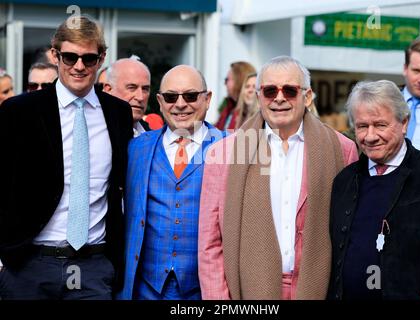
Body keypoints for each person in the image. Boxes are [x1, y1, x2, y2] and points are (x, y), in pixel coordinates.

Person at [198, 56, 358, 300]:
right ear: (259, 96)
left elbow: (351, 234)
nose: (279, 98)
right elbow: (210, 243)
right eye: (270, 90)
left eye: (290, 91)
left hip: (319, 289)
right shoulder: (224, 153)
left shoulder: (342, 149)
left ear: (307, 96)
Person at [0, 15, 133, 300]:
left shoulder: (118, 114)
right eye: (70, 57)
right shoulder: (18, 112)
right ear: (54, 55)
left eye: (89, 58)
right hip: (27, 265)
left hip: (93, 267)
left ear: (102, 58)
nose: (79, 66)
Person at [328, 80, 420, 300]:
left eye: (380, 125)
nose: (371, 136)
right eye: (362, 126)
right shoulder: (344, 182)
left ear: (404, 123)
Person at [117, 65, 226, 300]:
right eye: (170, 97)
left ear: (207, 99)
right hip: (144, 289)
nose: (180, 104)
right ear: (159, 101)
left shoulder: (229, 147)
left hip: (203, 290)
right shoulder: (136, 148)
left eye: (190, 96)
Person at [103, 58, 152, 137]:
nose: (140, 97)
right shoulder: (94, 133)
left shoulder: (155, 139)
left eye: (145, 89)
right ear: (108, 90)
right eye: (131, 88)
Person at [215, 61, 256, 130]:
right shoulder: (229, 106)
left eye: (227, 79)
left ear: (238, 81)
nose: (225, 83)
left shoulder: (249, 113)